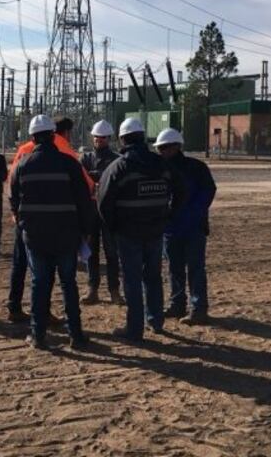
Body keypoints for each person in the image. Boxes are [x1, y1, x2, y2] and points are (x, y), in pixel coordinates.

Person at [97, 118, 185, 342]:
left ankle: (134, 329)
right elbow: (181, 192)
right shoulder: (162, 164)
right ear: (143, 137)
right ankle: (155, 321)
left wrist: (114, 228)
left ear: (122, 139)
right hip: (155, 230)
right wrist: (168, 216)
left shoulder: (119, 167)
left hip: (128, 233)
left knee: (132, 280)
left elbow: (103, 202)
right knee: (153, 277)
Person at [10, 114, 93, 350]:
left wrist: (23, 225)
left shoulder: (23, 165)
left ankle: (38, 336)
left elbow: (13, 200)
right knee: (69, 283)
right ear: (53, 135)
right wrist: (85, 231)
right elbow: (84, 200)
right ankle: (76, 335)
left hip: (35, 237)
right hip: (66, 234)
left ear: (33, 137)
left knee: (39, 283)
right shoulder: (69, 164)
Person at [156, 128, 217, 325]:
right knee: (175, 269)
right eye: (160, 148)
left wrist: (192, 212)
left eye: (165, 147)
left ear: (176, 147)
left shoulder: (196, 168)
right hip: (174, 228)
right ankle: (177, 304)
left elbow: (208, 191)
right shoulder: (161, 169)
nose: (162, 151)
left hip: (191, 227)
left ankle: (198, 309)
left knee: (195, 268)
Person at [79, 119, 123, 305]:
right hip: (90, 213)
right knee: (91, 252)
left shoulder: (116, 159)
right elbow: (81, 181)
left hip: (109, 213)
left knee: (112, 253)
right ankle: (92, 289)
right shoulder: (85, 159)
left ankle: (114, 290)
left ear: (108, 138)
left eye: (102, 138)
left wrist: (95, 177)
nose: (99, 140)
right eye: (97, 137)